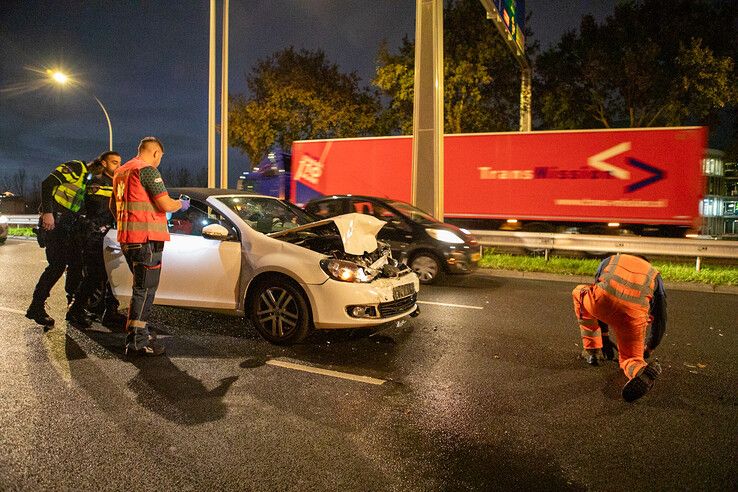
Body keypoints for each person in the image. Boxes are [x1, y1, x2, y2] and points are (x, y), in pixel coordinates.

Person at [111, 137, 189, 356]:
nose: (159, 162)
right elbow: (164, 203)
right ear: (155, 153)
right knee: (145, 291)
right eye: (160, 157)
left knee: (140, 288)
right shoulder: (147, 171)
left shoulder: (121, 172)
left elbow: (112, 206)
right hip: (147, 240)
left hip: (127, 239)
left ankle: (139, 332)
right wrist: (181, 204)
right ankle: (136, 342)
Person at [572, 253, 666, 402]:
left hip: (603, 303)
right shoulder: (654, 275)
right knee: (631, 358)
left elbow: (598, 292)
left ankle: (592, 351)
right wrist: (650, 347)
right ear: (647, 263)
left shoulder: (611, 261)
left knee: (579, 293)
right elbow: (660, 317)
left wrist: (604, 337)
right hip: (633, 317)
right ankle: (640, 370)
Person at [25, 159, 90, 327]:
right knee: (57, 266)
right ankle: (36, 307)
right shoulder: (77, 167)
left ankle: (74, 307)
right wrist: (48, 212)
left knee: (77, 264)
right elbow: (47, 183)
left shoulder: (87, 179)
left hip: (69, 225)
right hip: (55, 222)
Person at [66, 151, 127, 329]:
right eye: (114, 162)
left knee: (112, 275)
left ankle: (110, 311)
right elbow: (96, 209)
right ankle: (75, 308)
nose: (118, 165)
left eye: (119, 162)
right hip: (95, 234)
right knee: (96, 275)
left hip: (110, 233)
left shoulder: (117, 182)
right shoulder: (97, 181)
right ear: (104, 163)